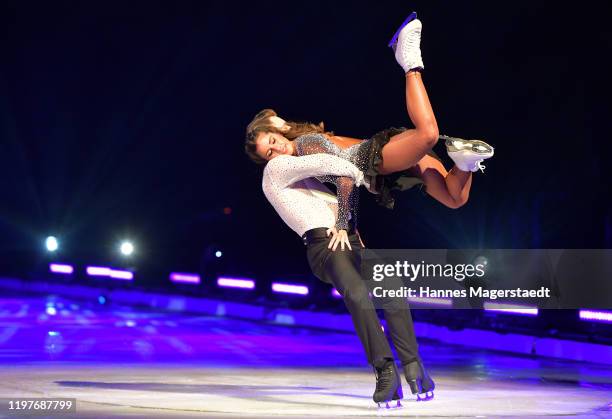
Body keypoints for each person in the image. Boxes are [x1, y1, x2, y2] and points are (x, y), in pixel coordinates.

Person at [245, 12, 495, 250]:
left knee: (428, 135)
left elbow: (345, 178)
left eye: (272, 140)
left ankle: (409, 61)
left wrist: (344, 226)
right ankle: (465, 160)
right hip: (389, 163)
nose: (276, 149)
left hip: (378, 157)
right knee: (454, 198)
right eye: (269, 153)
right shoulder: (302, 162)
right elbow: (330, 200)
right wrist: (354, 235)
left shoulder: (303, 145)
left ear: (279, 130)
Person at [259, 151, 434, 407]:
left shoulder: (311, 180)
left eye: (278, 141)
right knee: (357, 294)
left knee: (392, 286)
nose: (277, 149)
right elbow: (341, 166)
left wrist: (347, 224)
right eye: (270, 147)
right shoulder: (275, 169)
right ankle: (385, 371)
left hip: (350, 241)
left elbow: (350, 179)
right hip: (325, 245)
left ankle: (414, 367)